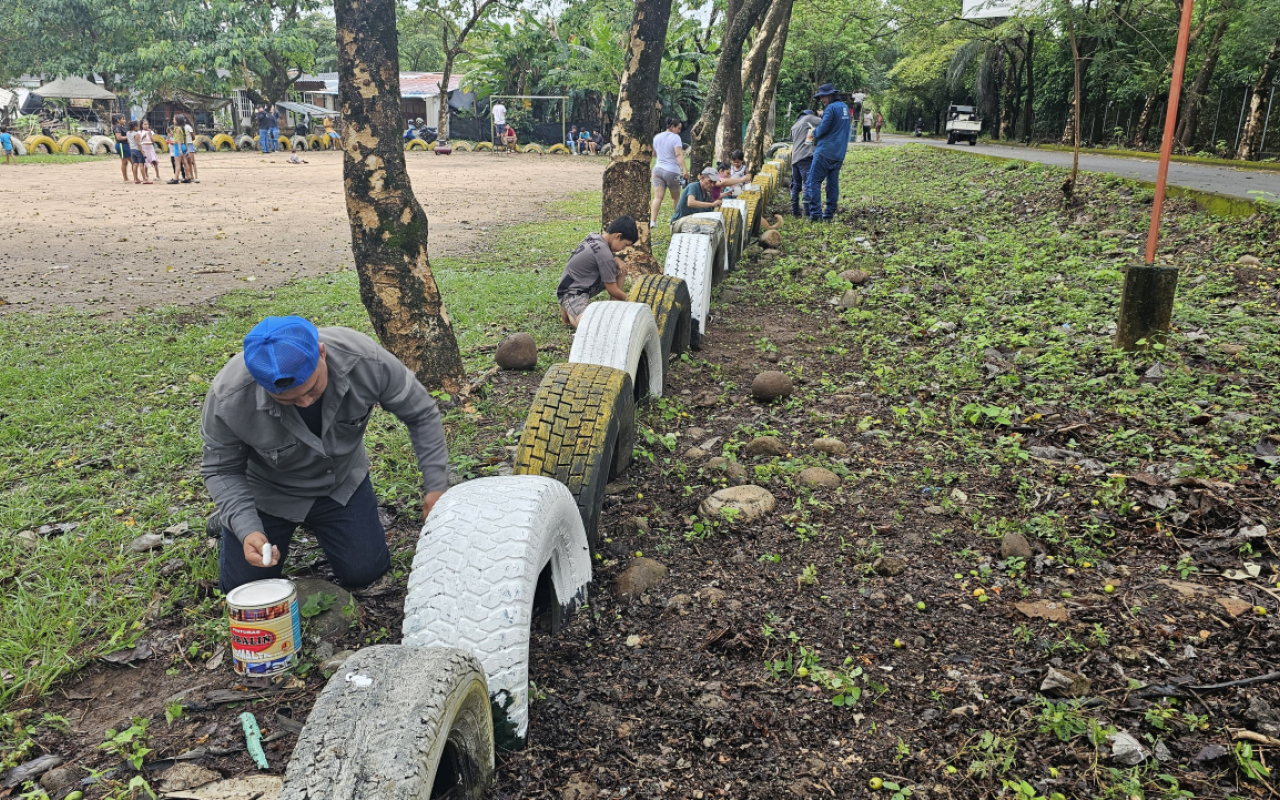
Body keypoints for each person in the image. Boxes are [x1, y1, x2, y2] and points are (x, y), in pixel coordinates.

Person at [201, 316, 450, 593]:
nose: (305, 402)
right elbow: (221, 469)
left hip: (340, 484)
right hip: (269, 493)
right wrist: (247, 528)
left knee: (365, 572)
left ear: (322, 353)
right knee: (246, 588)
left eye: (311, 388)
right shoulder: (229, 396)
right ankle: (229, 525)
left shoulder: (365, 360)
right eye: (289, 400)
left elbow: (421, 413)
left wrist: (436, 485)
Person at [556, 217, 637, 328]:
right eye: (625, 244)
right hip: (572, 291)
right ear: (618, 236)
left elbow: (599, 254)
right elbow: (612, 289)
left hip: (576, 280)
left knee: (620, 269)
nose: (623, 249)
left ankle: (613, 308)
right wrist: (631, 299)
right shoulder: (606, 256)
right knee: (589, 325)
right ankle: (569, 307)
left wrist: (616, 259)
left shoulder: (594, 236)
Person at [805, 83, 850, 222]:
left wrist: (813, 133)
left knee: (813, 182)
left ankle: (816, 215)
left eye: (823, 97)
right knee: (832, 184)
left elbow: (823, 128)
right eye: (820, 98)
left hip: (825, 151)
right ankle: (828, 215)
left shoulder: (830, 108)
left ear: (830, 95)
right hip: (839, 153)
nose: (821, 100)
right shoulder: (845, 108)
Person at [649, 117, 687, 230]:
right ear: (672, 127)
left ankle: (653, 221)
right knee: (676, 198)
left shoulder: (657, 137)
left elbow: (654, 153)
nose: (679, 131)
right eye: (678, 128)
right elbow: (678, 154)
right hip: (672, 171)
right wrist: (685, 169)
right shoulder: (675, 138)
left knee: (657, 197)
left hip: (658, 170)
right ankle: (677, 220)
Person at [788, 108, 820, 217]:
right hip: (806, 158)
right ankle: (807, 212)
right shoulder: (810, 119)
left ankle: (795, 212)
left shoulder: (795, 126)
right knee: (808, 184)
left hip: (795, 159)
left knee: (795, 186)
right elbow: (824, 123)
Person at [113, 114, 132, 183]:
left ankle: (135, 177)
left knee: (132, 161)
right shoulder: (117, 127)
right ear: (118, 120)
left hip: (125, 145)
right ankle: (125, 178)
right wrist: (128, 137)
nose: (124, 120)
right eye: (123, 119)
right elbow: (119, 138)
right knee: (124, 162)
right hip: (121, 145)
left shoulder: (121, 127)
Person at [181, 114, 199, 183]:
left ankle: (196, 176)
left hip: (189, 144)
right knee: (187, 162)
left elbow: (193, 137)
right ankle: (191, 176)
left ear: (185, 120)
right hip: (184, 144)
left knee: (192, 161)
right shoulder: (181, 128)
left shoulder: (188, 127)